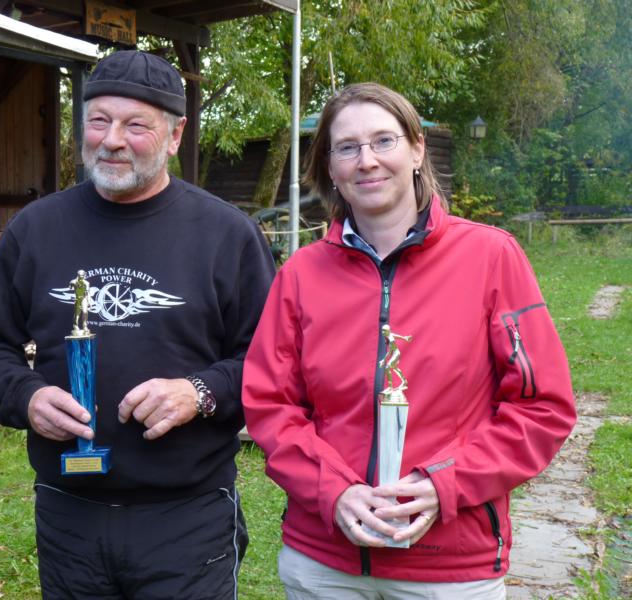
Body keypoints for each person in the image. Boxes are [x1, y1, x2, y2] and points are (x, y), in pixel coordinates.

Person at [0, 50, 275, 600]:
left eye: (136, 126)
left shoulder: (226, 235)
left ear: (175, 135)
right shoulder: (37, 229)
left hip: (188, 515)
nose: (112, 140)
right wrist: (26, 396)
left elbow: (274, 362)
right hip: (69, 513)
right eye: (99, 121)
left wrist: (200, 392)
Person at [241, 82, 576, 599]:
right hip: (325, 563)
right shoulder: (301, 274)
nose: (367, 160)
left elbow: (542, 406)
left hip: (450, 565)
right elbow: (270, 405)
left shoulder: (491, 257)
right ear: (330, 167)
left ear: (417, 149)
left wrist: (445, 484)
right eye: (347, 147)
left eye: (384, 141)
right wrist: (335, 490)